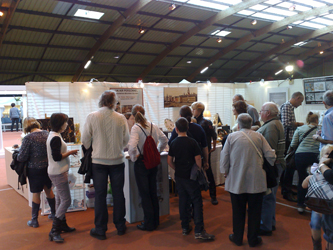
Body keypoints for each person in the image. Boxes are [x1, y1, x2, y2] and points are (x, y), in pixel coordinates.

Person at [220, 113, 276, 247]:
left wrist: (225, 172)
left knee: (237, 211)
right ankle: (253, 239)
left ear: (238, 124)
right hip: (256, 180)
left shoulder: (231, 137)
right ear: (251, 125)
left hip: (236, 181)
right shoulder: (259, 136)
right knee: (255, 211)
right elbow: (271, 156)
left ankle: (237, 237)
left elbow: (224, 157)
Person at [82, 90, 130, 240]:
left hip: (98, 162)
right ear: (114, 102)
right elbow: (126, 140)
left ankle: (100, 229)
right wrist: (117, 146)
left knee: (100, 196)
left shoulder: (92, 116)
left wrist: (94, 145)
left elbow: (85, 140)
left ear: (101, 101)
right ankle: (120, 226)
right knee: (118, 194)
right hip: (117, 161)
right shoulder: (121, 118)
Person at [168, 117, 215, 241]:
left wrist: (176, 168)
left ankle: (185, 227)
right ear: (188, 128)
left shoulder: (173, 143)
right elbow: (198, 159)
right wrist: (198, 170)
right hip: (191, 176)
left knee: (183, 201)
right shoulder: (192, 142)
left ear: (176, 129)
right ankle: (199, 230)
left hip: (180, 176)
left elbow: (169, 161)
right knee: (197, 201)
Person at [128, 104, 168, 231]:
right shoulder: (153, 125)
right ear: (144, 114)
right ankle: (155, 220)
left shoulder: (136, 128)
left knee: (144, 194)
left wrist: (135, 157)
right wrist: (157, 151)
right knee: (153, 191)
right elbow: (164, 139)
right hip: (153, 163)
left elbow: (132, 146)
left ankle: (148, 223)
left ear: (133, 116)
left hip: (141, 163)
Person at [17, 117, 55, 228]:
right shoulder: (47, 134)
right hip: (47, 167)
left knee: (36, 193)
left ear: (26, 126)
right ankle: (53, 214)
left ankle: (34, 220)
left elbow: (21, 157)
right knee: (49, 190)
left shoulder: (28, 138)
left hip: (34, 169)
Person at [47, 113, 78, 243]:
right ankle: (54, 230)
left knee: (60, 199)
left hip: (57, 171)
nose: (67, 124)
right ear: (60, 123)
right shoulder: (55, 138)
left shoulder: (54, 135)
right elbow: (57, 157)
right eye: (65, 122)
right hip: (58, 172)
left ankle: (62, 225)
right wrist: (70, 152)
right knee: (66, 200)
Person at [257, 102, 285, 236]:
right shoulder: (275, 124)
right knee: (271, 196)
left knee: (267, 197)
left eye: (261, 111)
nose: (260, 113)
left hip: (271, 166)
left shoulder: (271, 127)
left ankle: (265, 225)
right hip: (275, 165)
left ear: (267, 113)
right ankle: (270, 222)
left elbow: (269, 151)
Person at [302, 144, 333, 250]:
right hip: (318, 203)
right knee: (315, 225)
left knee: (329, 231)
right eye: (327, 154)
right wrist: (310, 179)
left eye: (331, 154)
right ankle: (317, 246)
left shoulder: (328, 170)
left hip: (329, 204)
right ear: (321, 156)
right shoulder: (317, 170)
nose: (329, 157)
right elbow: (304, 185)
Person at [289, 112, 320, 213]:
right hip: (315, 156)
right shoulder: (320, 129)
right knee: (315, 180)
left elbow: (293, 144)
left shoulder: (300, 129)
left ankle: (300, 204)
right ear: (317, 120)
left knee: (302, 179)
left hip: (301, 156)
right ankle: (312, 204)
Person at [191, 101, 218, 205]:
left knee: (208, 172)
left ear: (198, 110)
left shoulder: (206, 122)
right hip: (196, 151)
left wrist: (214, 147)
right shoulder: (192, 122)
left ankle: (213, 195)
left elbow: (214, 135)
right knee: (197, 172)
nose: (192, 111)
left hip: (204, 150)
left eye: (193, 109)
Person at [280, 91, 304, 201]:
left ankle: (287, 189)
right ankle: (286, 191)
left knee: (288, 166)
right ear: (297, 98)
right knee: (288, 166)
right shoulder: (286, 106)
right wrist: (299, 124)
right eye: (301, 101)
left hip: (288, 140)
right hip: (286, 141)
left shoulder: (289, 107)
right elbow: (285, 123)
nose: (300, 104)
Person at [168, 105, 209, 171]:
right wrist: (206, 161)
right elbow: (205, 147)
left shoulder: (177, 130)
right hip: (195, 163)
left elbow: (170, 145)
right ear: (191, 115)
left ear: (180, 116)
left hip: (180, 163)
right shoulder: (199, 128)